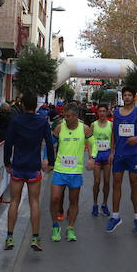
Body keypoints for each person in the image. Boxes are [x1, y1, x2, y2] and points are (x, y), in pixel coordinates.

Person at [3, 94, 55, 252]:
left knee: (14, 201)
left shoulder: (16, 121)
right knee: (34, 202)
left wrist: (7, 162)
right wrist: (51, 161)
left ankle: (10, 237)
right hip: (33, 167)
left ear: (23, 105)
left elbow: (8, 143)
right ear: (36, 106)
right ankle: (35, 238)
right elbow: (49, 142)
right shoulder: (42, 121)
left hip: (18, 165)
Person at [50, 102, 93, 242]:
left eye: (68, 116)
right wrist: (46, 159)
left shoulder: (84, 129)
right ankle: (55, 226)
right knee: (55, 198)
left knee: (74, 200)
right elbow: (50, 144)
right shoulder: (59, 128)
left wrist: (92, 158)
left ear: (75, 116)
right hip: (60, 169)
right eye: (64, 115)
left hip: (75, 171)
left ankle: (70, 228)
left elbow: (93, 143)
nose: (65, 118)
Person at [106, 87, 137, 234]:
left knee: (134, 185)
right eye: (125, 95)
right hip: (119, 155)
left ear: (133, 97)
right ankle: (115, 216)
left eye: (129, 95)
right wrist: (112, 151)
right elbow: (114, 133)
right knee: (116, 184)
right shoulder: (116, 113)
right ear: (122, 97)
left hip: (133, 154)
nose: (127, 97)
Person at [89, 103, 113, 216]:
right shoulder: (93, 125)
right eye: (100, 111)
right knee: (97, 181)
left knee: (107, 182)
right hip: (97, 155)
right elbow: (89, 141)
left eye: (104, 111)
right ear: (97, 113)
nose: (102, 113)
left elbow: (113, 141)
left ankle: (104, 204)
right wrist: (91, 156)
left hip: (107, 154)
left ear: (107, 112)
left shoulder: (111, 125)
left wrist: (112, 153)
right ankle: (95, 204)